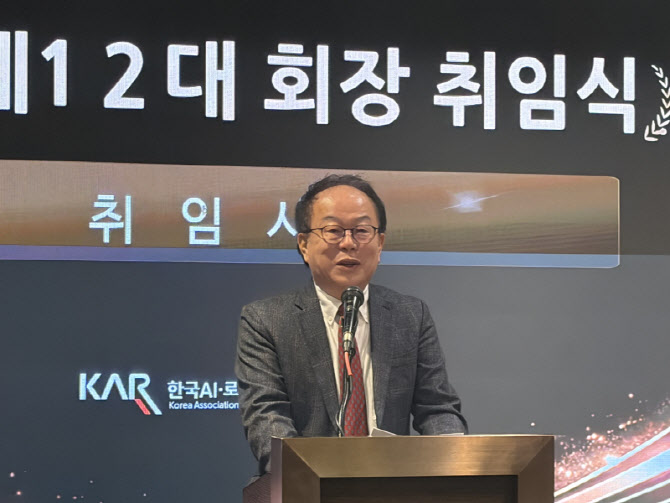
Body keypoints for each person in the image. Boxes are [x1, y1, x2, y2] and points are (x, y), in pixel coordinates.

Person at [235, 174, 466, 478]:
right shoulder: (266, 320)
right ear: (304, 244)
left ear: (380, 243)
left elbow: (437, 409)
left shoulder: (410, 315)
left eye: (361, 231)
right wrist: (311, 477)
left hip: (393, 487)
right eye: (333, 231)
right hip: (306, 487)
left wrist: (455, 463)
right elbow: (267, 418)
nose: (348, 243)